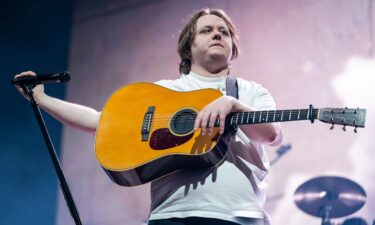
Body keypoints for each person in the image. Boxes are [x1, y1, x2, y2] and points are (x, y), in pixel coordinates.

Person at [14, 8, 282, 225]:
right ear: (188, 48)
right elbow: (100, 121)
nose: (217, 35)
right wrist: (42, 99)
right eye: (207, 30)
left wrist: (232, 104)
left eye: (224, 32)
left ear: (232, 48)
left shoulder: (249, 91)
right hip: (172, 215)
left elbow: (271, 135)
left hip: (239, 216)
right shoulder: (165, 91)